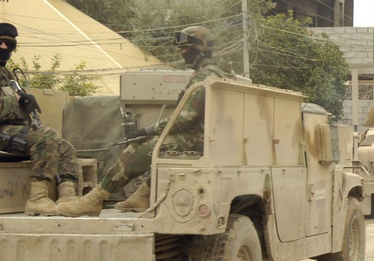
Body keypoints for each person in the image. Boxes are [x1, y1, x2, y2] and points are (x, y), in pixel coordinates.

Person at [57, 25, 232, 217]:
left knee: (137, 149)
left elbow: (184, 120)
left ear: (200, 49)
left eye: (186, 49)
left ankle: (94, 199)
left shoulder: (205, 77)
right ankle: (143, 195)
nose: (183, 54)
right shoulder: (213, 72)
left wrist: (148, 130)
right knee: (151, 146)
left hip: (197, 139)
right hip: (204, 137)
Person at [0, 22, 82, 215]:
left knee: (64, 146)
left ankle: (68, 196)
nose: (4, 48)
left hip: (10, 129)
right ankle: (37, 198)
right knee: (46, 138)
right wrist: (18, 100)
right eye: (0, 42)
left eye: (9, 45)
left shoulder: (6, 73)